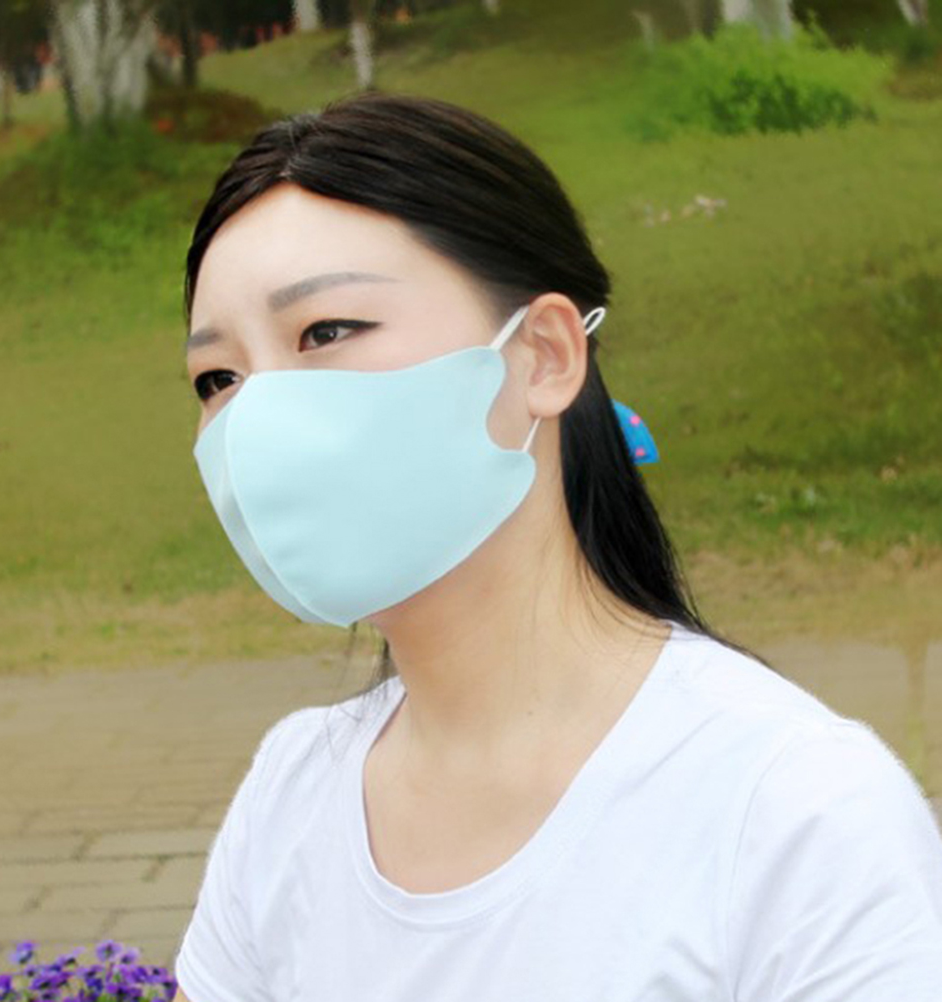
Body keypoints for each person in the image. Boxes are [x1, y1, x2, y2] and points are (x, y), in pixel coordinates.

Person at [174, 93, 942, 1002]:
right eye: (218, 378)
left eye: (326, 332)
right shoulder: (290, 794)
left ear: (544, 354)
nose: (260, 416)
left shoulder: (794, 811)